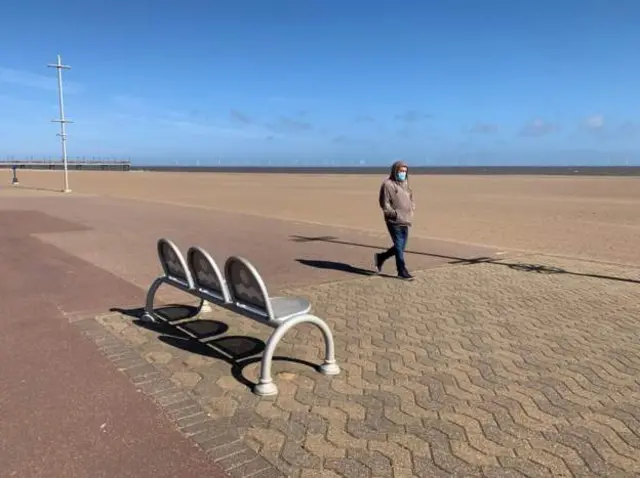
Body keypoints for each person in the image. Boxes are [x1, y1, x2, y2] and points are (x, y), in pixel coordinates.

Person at [374, 160, 415, 280]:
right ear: (395, 171)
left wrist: (412, 209)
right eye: (401, 171)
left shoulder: (406, 184)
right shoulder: (387, 184)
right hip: (394, 221)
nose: (403, 173)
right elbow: (384, 204)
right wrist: (394, 214)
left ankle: (381, 257)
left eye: (405, 171)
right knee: (398, 246)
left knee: (400, 247)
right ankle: (401, 271)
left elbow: (411, 198)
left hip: (406, 220)